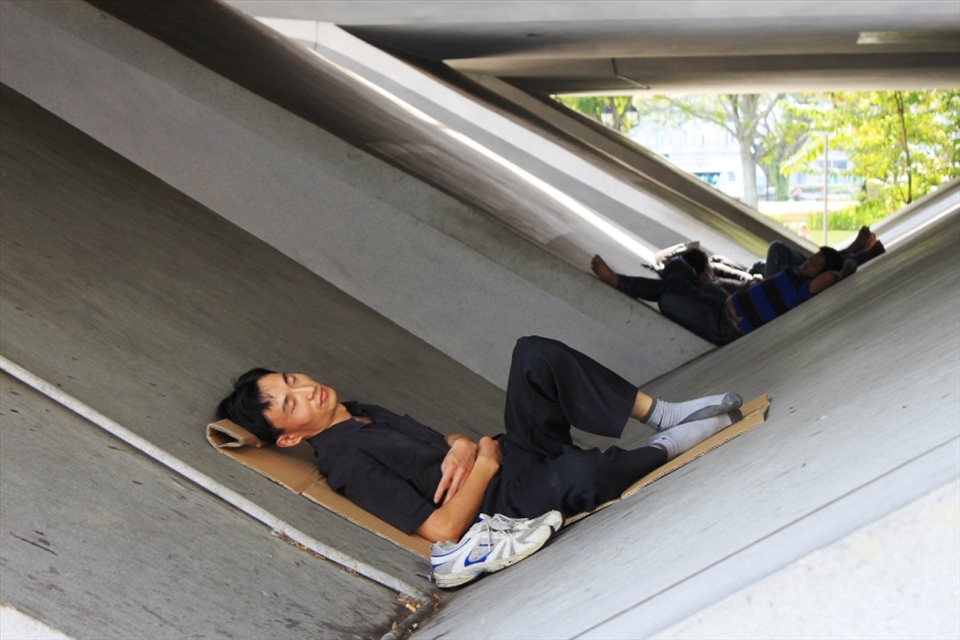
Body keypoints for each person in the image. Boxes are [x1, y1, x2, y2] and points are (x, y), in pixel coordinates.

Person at [216, 337, 743, 584]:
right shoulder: (346, 465)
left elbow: (442, 444)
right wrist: (485, 465)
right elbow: (440, 528)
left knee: (533, 354)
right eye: (291, 402)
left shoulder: (357, 413)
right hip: (505, 499)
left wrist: (467, 446)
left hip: (506, 455)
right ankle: (681, 439)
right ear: (287, 439)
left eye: (292, 379)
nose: (306, 388)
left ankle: (667, 414)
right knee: (586, 475)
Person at [591, 247, 857, 346]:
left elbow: (833, 277)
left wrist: (846, 266)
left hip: (727, 326)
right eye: (812, 258)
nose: (810, 262)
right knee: (674, 282)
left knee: (667, 300)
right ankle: (619, 281)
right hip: (719, 305)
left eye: (816, 264)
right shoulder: (796, 273)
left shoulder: (805, 289)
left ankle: (620, 282)